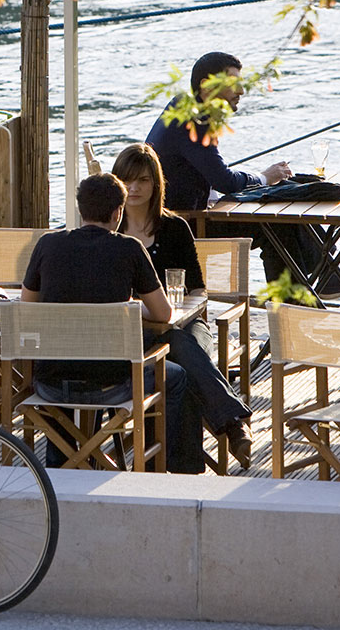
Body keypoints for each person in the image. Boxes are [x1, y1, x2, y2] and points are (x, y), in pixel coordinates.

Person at [144, 51, 340, 293]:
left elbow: (208, 176)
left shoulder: (184, 107)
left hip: (185, 214)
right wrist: (264, 178)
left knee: (280, 212)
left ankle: (316, 282)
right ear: (206, 85)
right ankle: (316, 283)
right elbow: (224, 180)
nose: (241, 91)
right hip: (181, 226)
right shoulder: (195, 120)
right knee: (276, 221)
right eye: (234, 83)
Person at [21, 173, 196, 473]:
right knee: (176, 376)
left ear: (80, 210)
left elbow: (27, 307)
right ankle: (170, 469)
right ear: (118, 212)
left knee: (66, 358)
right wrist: (128, 308)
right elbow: (164, 314)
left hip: (49, 384)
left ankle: (62, 461)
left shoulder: (47, 244)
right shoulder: (129, 249)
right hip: (112, 385)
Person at [111, 142, 253, 469]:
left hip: (187, 324)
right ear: (116, 183)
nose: (134, 188)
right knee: (180, 359)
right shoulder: (110, 232)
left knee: (180, 348)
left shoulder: (175, 228)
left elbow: (200, 290)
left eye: (143, 180)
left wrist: (178, 308)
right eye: (127, 180)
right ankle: (231, 425)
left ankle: (182, 468)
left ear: (156, 184)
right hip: (136, 332)